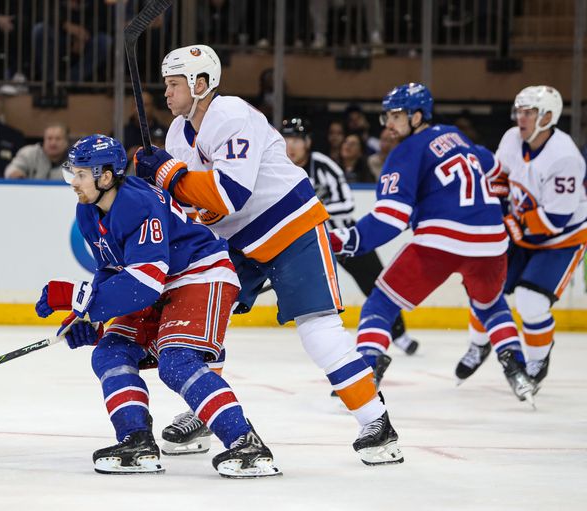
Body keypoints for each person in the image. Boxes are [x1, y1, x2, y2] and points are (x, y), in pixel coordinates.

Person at [134, 44, 403, 466]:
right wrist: (155, 190)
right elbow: (190, 208)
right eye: (165, 84)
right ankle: (206, 411)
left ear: (200, 84)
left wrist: (169, 174)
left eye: (173, 84)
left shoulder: (233, 116)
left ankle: (377, 422)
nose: (166, 93)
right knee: (208, 323)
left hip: (289, 225)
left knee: (319, 331)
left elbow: (229, 195)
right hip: (234, 241)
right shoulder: (174, 135)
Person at [35, 134, 281, 478]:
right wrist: (90, 319)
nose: (73, 183)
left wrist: (76, 298)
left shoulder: (138, 204)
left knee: (176, 362)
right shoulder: (88, 210)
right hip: (160, 283)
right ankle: (136, 440)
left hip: (200, 273)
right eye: (70, 173)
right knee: (110, 352)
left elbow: (144, 285)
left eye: (80, 174)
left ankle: (247, 444)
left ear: (106, 177)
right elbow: (111, 270)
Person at [327, 83, 537, 405]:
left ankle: (366, 373)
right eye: (387, 116)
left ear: (418, 115)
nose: (389, 124)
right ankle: (518, 370)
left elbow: (390, 218)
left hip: (441, 241)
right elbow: (496, 171)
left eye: (397, 116)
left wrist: (346, 240)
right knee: (491, 305)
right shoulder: (456, 135)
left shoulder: (406, 152)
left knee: (380, 304)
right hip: (492, 242)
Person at [456, 86, 587, 391]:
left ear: (549, 117)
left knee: (531, 302)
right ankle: (479, 344)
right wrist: (498, 211)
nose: (521, 117)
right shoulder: (511, 139)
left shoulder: (564, 157)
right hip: (523, 229)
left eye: (529, 112)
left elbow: (555, 220)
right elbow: (500, 177)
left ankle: (538, 359)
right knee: (485, 289)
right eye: (520, 111)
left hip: (561, 240)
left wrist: (508, 224)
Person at [281, 117, 419, 358]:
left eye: (296, 140)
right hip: (309, 243)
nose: (291, 145)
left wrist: (313, 213)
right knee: (310, 292)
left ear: (308, 142)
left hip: (343, 239)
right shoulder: (279, 168)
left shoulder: (324, 166)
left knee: (375, 284)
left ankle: (399, 334)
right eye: (287, 139)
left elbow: (347, 202)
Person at [5, 123, 69, 180]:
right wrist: (15, 173)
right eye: (49, 138)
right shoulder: (29, 153)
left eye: (58, 139)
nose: (53, 143)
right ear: (44, 140)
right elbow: (12, 169)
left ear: (66, 142)